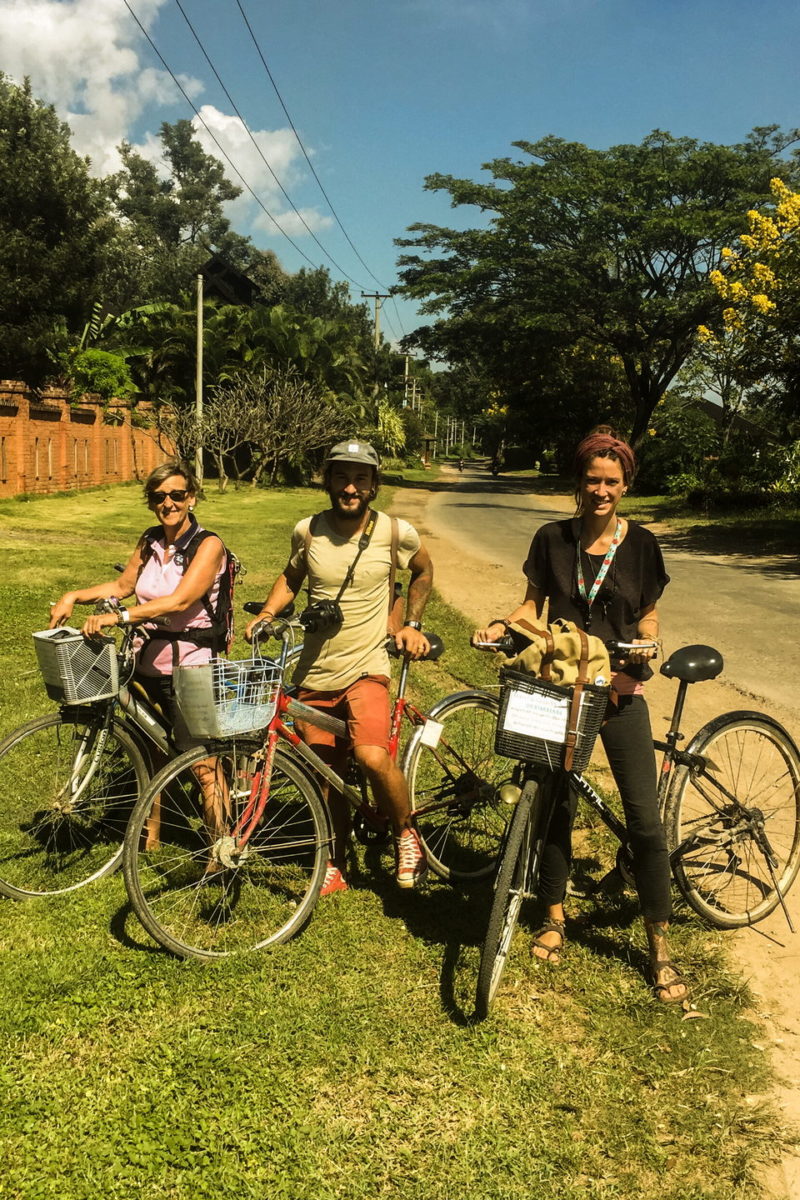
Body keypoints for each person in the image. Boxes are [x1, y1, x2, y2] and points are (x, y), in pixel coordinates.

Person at [473, 427, 688, 1004]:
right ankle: (554, 914)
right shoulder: (553, 538)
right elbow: (529, 605)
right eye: (592, 480)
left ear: (626, 485)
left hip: (617, 693)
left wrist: (646, 642)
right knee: (554, 803)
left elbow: (648, 616)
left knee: (644, 819)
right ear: (578, 482)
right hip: (560, 691)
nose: (601, 490)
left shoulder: (640, 545)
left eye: (611, 482)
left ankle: (659, 945)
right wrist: (504, 625)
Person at [245, 440, 434, 895]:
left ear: (373, 485)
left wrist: (410, 623)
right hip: (314, 669)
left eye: (361, 479)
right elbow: (292, 578)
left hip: (367, 663)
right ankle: (335, 859)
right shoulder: (307, 530)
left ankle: (407, 833)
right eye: (342, 477)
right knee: (324, 772)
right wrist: (268, 613)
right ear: (327, 480)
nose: (351, 487)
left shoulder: (394, 532)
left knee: (371, 755)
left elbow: (423, 571)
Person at [48, 460, 228, 850]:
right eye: (160, 497)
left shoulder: (208, 545)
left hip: (190, 664)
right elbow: (123, 584)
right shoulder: (150, 541)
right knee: (148, 750)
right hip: (144, 661)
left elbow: (180, 600)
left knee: (202, 762)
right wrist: (74, 596)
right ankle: (151, 837)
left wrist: (119, 616)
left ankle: (222, 845)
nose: (169, 503)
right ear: (151, 503)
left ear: (191, 498)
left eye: (177, 495)